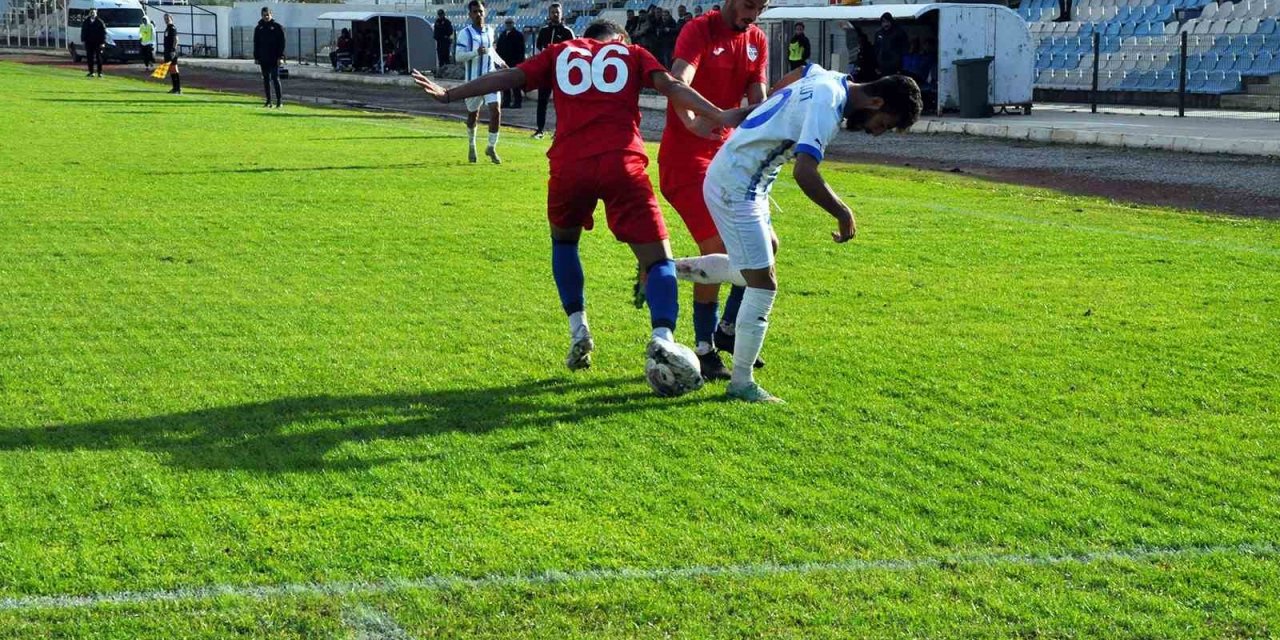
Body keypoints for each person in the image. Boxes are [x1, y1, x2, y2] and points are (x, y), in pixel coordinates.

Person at [411, 20, 744, 378]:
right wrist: (719, 114)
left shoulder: (560, 52)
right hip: (622, 163)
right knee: (658, 260)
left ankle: (578, 327)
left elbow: (510, 78)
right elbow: (672, 85)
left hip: (570, 165)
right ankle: (662, 336)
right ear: (619, 38)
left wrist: (450, 94)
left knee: (565, 243)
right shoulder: (632, 53)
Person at [672, 68, 922, 402]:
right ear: (876, 102)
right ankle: (741, 384)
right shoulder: (829, 106)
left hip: (746, 179)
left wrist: (748, 115)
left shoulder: (830, 78)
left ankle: (667, 269)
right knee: (763, 282)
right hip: (737, 184)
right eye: (884, 123)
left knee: (764, 255)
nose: (877, 132)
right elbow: (805, 172)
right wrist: (842, 211)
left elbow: (799, 73)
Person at [656, 0, 768, 380]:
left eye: (762, 6)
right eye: (749, 5)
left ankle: (729, 328)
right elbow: (677, 81)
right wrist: (690, 121)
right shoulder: (698, 31)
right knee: (719, 247)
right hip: (686, 163)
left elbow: (759, 99)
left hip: (727, 162)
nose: (754, 14)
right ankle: (704, 347)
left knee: (766, 243)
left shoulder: (757, 39)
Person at [455, 0, 506, 164]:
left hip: (490, 79)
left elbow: (491, 51)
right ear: (469, 15)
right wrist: (474, 53)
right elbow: (458, 57)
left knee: (496, 110)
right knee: (472, 115)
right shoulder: (465, 33)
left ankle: (491, 147)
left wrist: (502, 63)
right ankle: (471, 144)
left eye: (481, 11)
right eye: (475, 12)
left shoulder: (490, 31)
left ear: (485, 12)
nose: (479, 14)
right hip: (473, 82)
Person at [532, 3, 573, 138]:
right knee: (542, 101)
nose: (555, 14)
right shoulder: (543, 31)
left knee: (560, 103)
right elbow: (538, 51)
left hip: (561, 73)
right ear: (549, 14)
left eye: (557, 12)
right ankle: (539, 130)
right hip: (545, 72)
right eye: (553, 12)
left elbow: (573, 52)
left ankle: (559, 131)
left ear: (562, 14)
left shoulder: (567, 32)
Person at [253, 6, 286, 107]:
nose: (266, 17)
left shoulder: (277, 27)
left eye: (267, 15)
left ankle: (279, 101)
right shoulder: (258, 28)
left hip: (274, 58)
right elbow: (256, 43)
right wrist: (256, 57)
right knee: (266, 79)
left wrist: (281, 57)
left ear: (271, 14)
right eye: (264, 15)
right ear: (261, 16)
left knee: (275, 78)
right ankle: (268, 101)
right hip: (263, 58)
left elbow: (282, 43)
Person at [874, 12, 908, 76]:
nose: (885, 24)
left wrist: (901, 68)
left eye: (887, 21)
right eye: (883, 22)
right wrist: (876, 66)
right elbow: (876, 50)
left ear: (891, 22)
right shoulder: (878, 34)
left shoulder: (899, 32)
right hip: (882, 66)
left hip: (895, 66)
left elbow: (904, 49)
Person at [81, 8, 105, 78]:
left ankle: (99, 72)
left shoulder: (100, 22)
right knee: (89, 57)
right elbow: (83, 31)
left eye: (94, 13)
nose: (93, 14)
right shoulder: (86, 22)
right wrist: (83, 40)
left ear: (96, 13)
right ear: (89, 13)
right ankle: (91, 72)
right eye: (91, 12)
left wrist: (103, 42)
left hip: (98, 42)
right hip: (89, 42)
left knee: (98, 57)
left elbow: (103, 33)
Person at [161, 14, 181, 94]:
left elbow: (176, 39)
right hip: (167, 51)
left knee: (174, 69)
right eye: (165, 18)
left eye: (167, 18)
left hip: (171, 52)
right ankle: (175, 88)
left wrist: (173, 50)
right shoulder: (167, 28)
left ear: (171, 18)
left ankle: (177, 88)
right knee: (171, 69)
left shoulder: (172, 28)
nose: (166, 20)